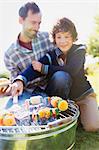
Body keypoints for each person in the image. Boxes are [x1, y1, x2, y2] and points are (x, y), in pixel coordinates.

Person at [10, 17, 99, 132]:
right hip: (61, 99)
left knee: (93, 127)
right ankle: (63, 114)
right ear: (54, 39)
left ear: (73, 37)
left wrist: (45, 69)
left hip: (83, 95)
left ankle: (83, 113)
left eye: (67, 36)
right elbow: (34, 68)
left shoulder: (79, 50)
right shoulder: (51, 55)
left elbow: (72, 70)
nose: (63, 41)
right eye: (59, 37)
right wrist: (20, 80)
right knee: (60, 77)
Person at [3, 2, 54, 102]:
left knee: (61, 77)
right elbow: (16, 82)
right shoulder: (10, 54)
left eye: (39, 23)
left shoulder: (47, 38)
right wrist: (7, 90)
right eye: (33, 22)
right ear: (21, 20)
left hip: (51, 86)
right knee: (9, 108)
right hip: (28, 93)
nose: (37, 27)